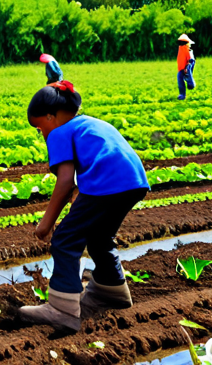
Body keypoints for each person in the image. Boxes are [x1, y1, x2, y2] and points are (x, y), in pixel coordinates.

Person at [19, 81, 149, 332]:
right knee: (100, 237)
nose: (42, 133)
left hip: (108, 182)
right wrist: (81, 191)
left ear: (51, 117)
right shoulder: (91, 122)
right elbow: (100, 158)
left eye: (39, 127)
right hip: (133, 181)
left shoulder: (59, 132)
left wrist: (46, 224)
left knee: (66, 239)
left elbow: (65, 180)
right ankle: (112, 291)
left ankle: (62, 309)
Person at [176, 33, 196, 100]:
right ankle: (182, 95)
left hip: (185, 67)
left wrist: (188, 65)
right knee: (180, 80)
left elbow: (191, 59)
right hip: (180, 68)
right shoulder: (180, 49)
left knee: (188, 77)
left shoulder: (187, 49)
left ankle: (191, 85)